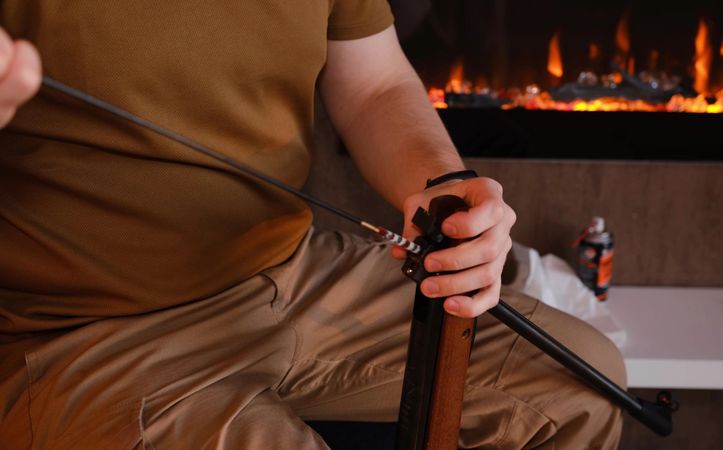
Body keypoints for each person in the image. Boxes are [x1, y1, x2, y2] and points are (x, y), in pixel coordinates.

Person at [0, 2, 626, 449]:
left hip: (290, 270)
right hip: (82, 328)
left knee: (585, 382)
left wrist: (443, 184)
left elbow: (375, 83)